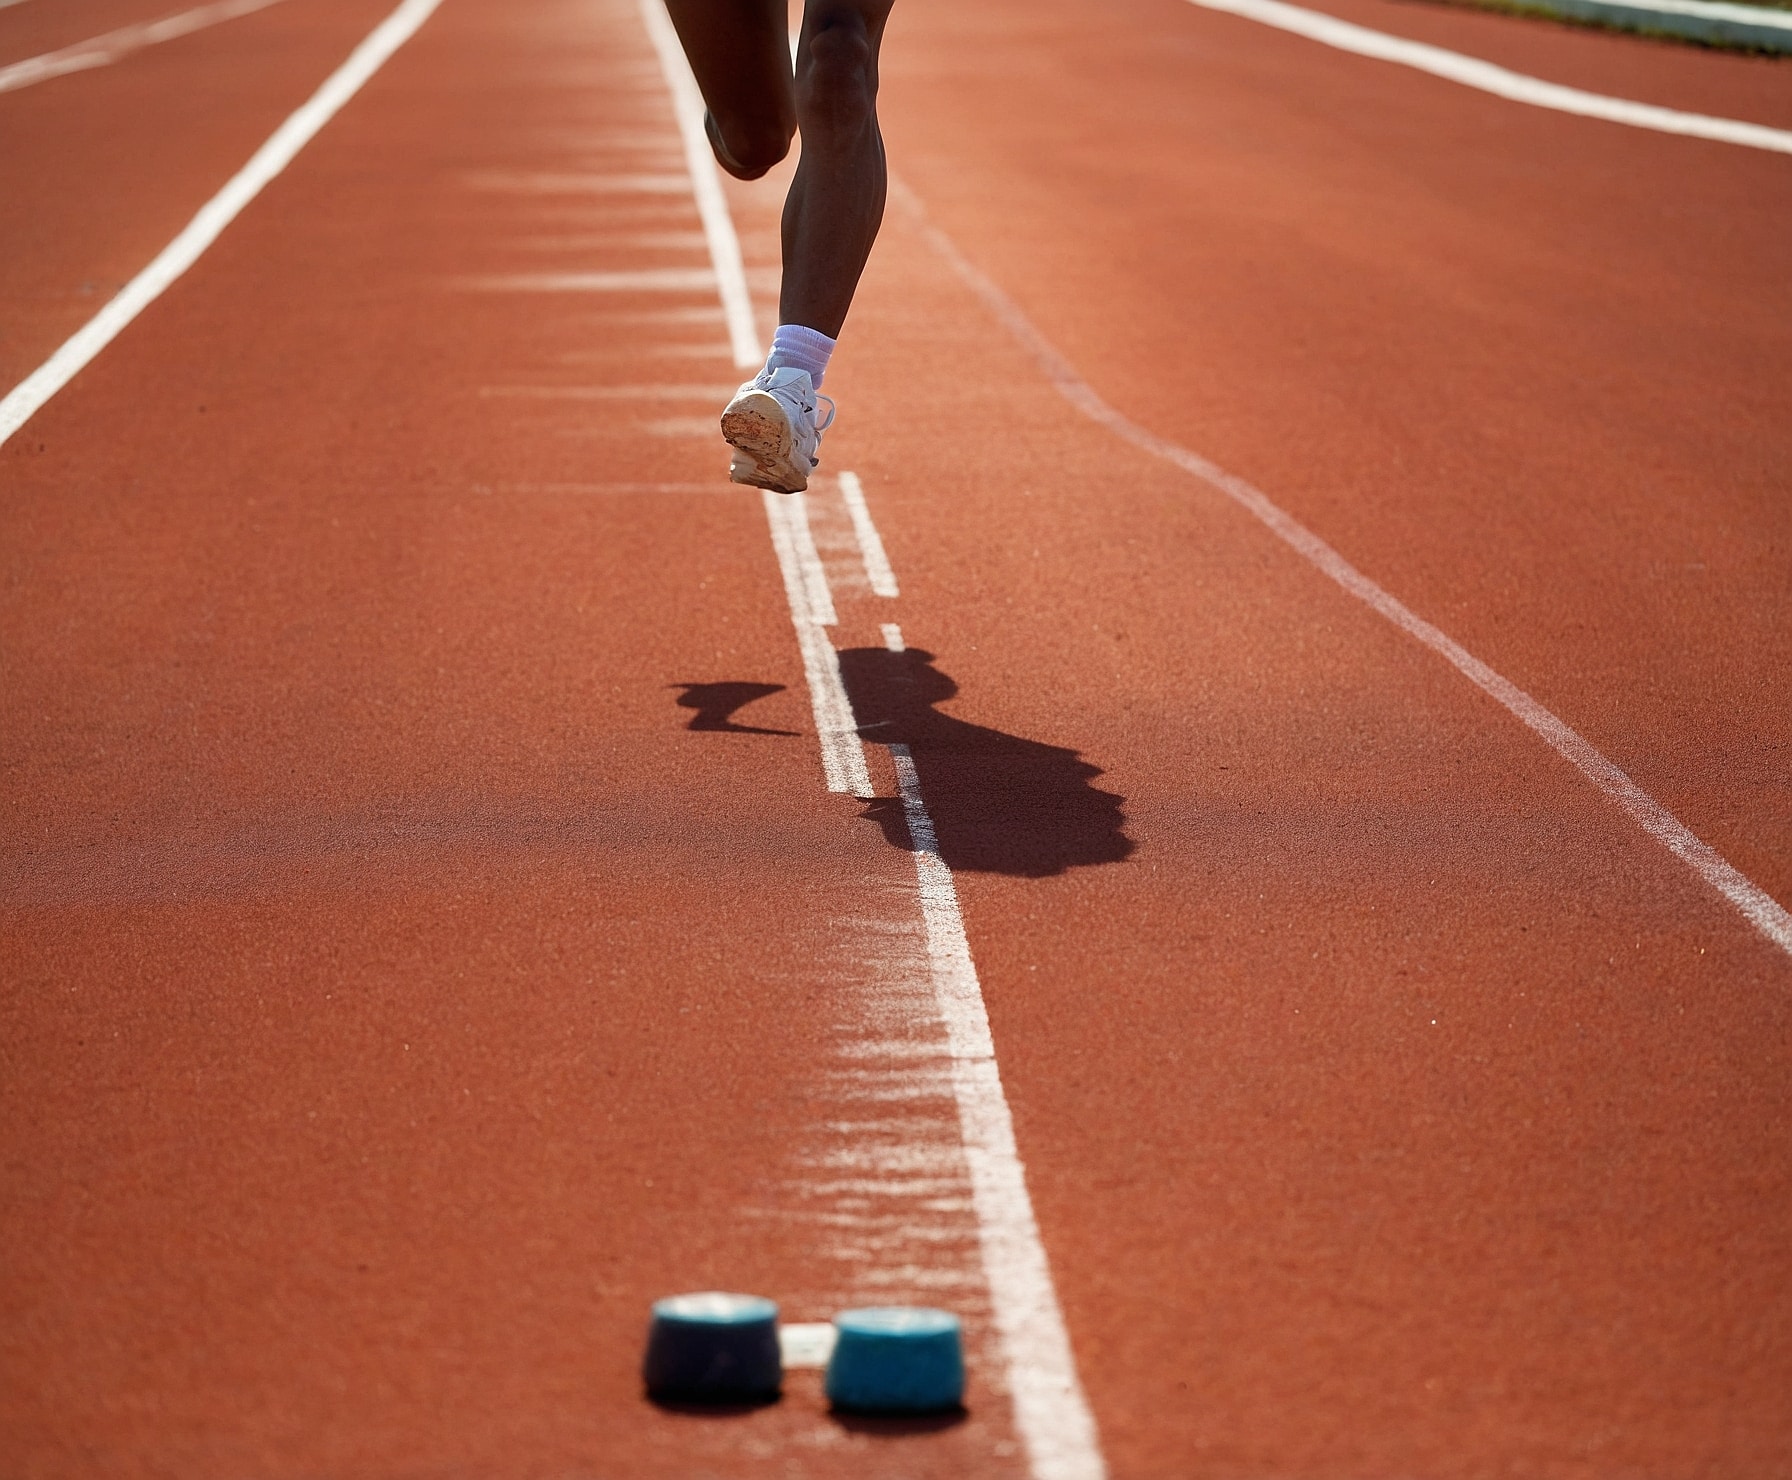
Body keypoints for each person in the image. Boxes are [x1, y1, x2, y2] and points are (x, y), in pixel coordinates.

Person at [663, 0, 896, 494]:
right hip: (752, 131)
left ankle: (792, 384)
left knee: (839, 53)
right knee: (752, 137)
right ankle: (748, 126)